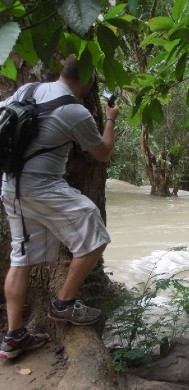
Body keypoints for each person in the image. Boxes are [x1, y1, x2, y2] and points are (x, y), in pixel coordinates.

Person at [0, 55, 120, 359]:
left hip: (10, 185)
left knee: (21, 257)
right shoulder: (75, 111)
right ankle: (63, 305)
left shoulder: (26, 91)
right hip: (43, 188)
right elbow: (102, 153)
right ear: (89, 80)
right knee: (96, 235)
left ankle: (14, 337)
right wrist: (110, 120)